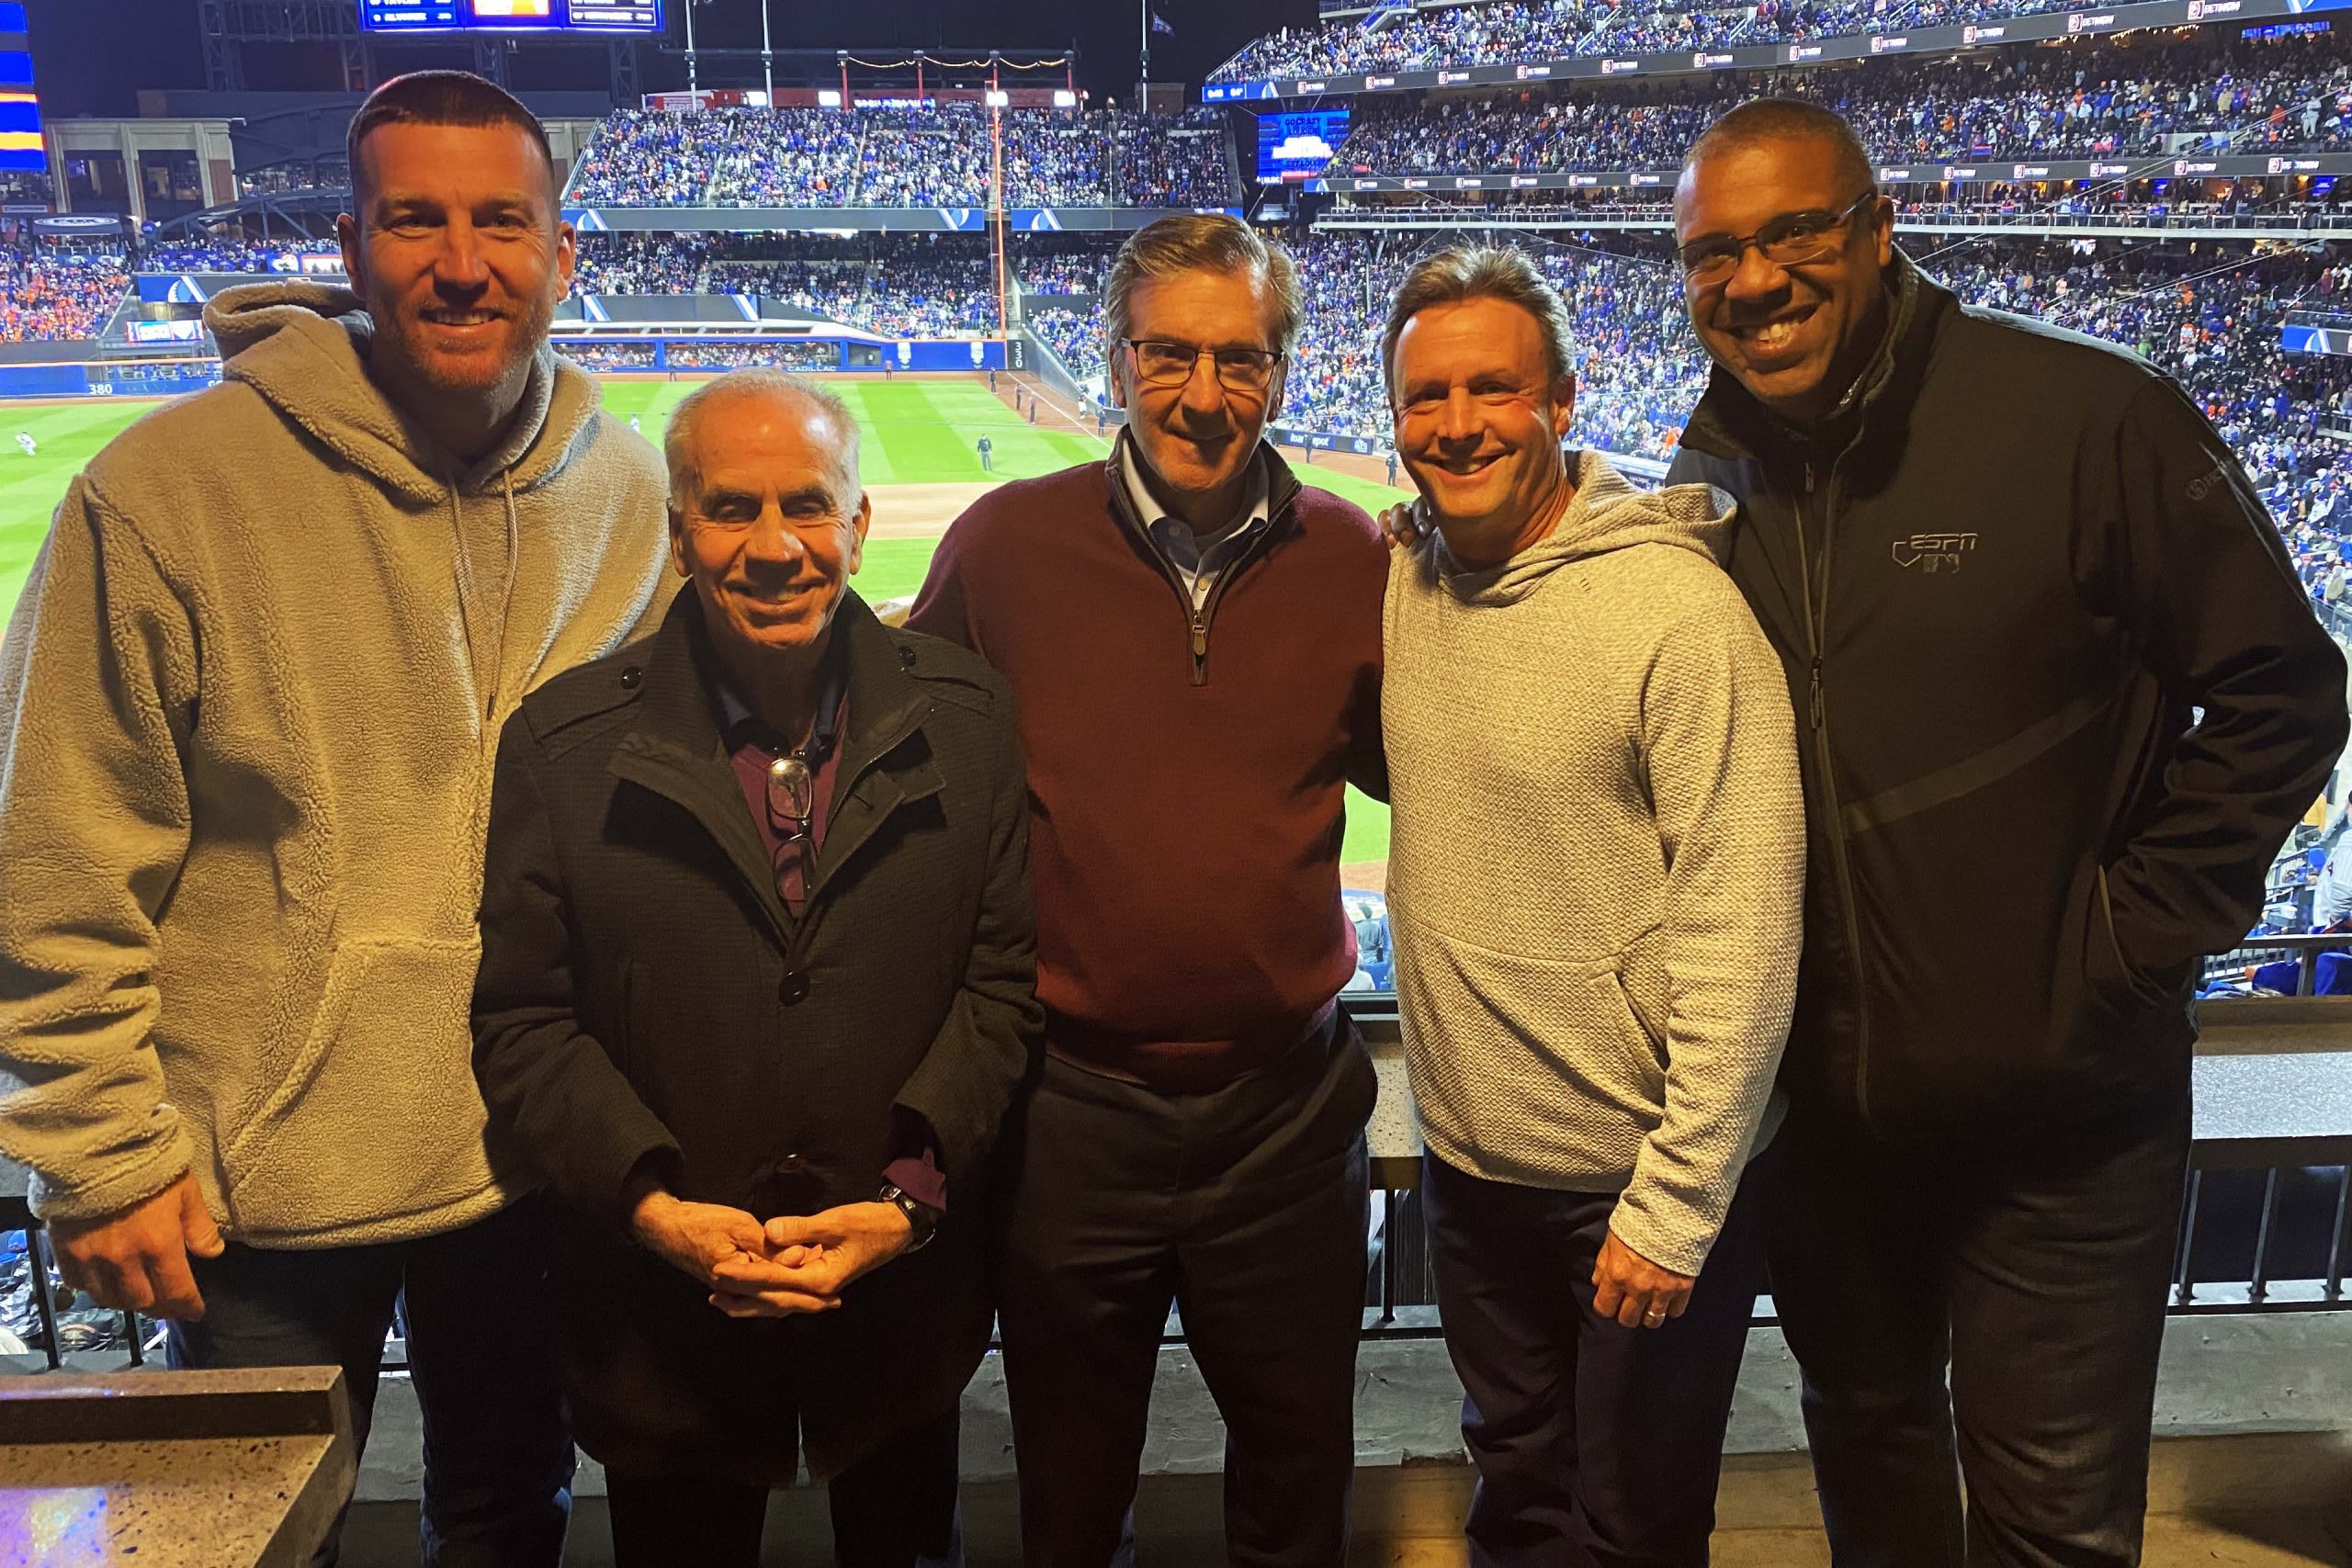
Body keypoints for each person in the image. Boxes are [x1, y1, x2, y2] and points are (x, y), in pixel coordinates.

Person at [0, 72, 673, 1567]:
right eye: (415, 220)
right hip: (254, 1184)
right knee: (247, 1537)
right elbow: (56, 851)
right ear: (353, 248)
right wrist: (99, 1149)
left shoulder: (628, 492)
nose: (462, 262)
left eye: (502, 222)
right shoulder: (164, 491)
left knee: (509, 1513)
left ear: (563, 254)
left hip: (524, 1148)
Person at [1664, 99, 2348, 1567]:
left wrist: (2124, 946)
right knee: (1873, 1472)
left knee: (2053, 1525)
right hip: (1829, 1128)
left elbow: (2285, 692)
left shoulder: (2090, 414)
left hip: (2061, 1128)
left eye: (1795, 231)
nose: (1754, 277)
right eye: (1713, 251)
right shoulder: (1713, 459)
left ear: (1879, 227)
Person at [471, 370, 1040, 1568]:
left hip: (899, 1319)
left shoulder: (974, 721)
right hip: (663, 1330)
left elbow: (998, 994)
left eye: (808, 505)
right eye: (732, 509)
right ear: (680, 533)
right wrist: (653, 1209)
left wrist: (906, 1206)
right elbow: (525, 1023)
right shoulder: (562, 747)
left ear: (859, 525)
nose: (776, 547)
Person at [907, 212, 1387, 1568]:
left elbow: (1447, 767)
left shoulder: (1356, 558)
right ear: (1116, 361)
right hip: (1069, 1117)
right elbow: (903, 774)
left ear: (1282, 372)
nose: (1203, 393)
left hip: (1286, 1118)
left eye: (1240, 359)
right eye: (1169, 354)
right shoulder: (1003, 548)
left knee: (1297, 1483)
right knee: (1068, 1492)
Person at [1381, 244, 1803, 1568]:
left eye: (1493, 389)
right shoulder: (1410, 577)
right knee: (1518, 1489)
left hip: (1634, 1180)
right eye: (1427, 396)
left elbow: (1746, 927)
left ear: (1563, 403)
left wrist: (1675, 1204)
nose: (1457, 424)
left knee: (1635, 1524)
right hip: (1474, 1169)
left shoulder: (1681, 614)